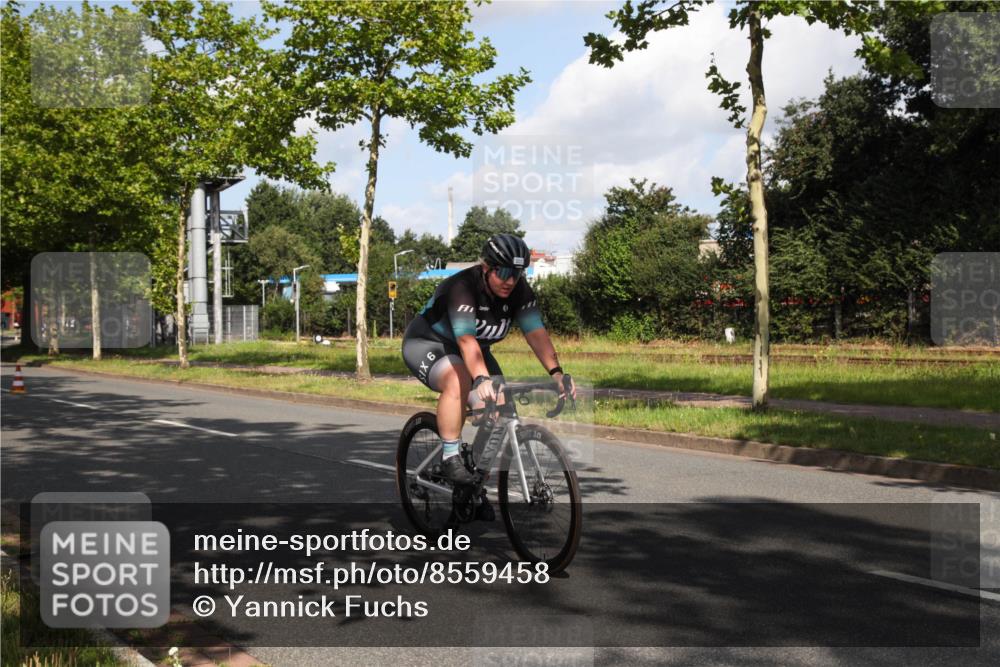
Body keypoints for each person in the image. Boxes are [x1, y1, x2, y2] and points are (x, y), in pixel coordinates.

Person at [402, 233, 576, 484]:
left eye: (517, 274)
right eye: (503, 272)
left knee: (501, 404)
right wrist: (481, 379)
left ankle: (474, 476)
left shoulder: (520, 291)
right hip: (429, 343)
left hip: (475, 351)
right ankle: (450, 458)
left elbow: (537, 334)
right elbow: (466, 341)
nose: (510, 281)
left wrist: (557, 373)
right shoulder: (463, 287)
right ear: (486, 268)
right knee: (459, 380)